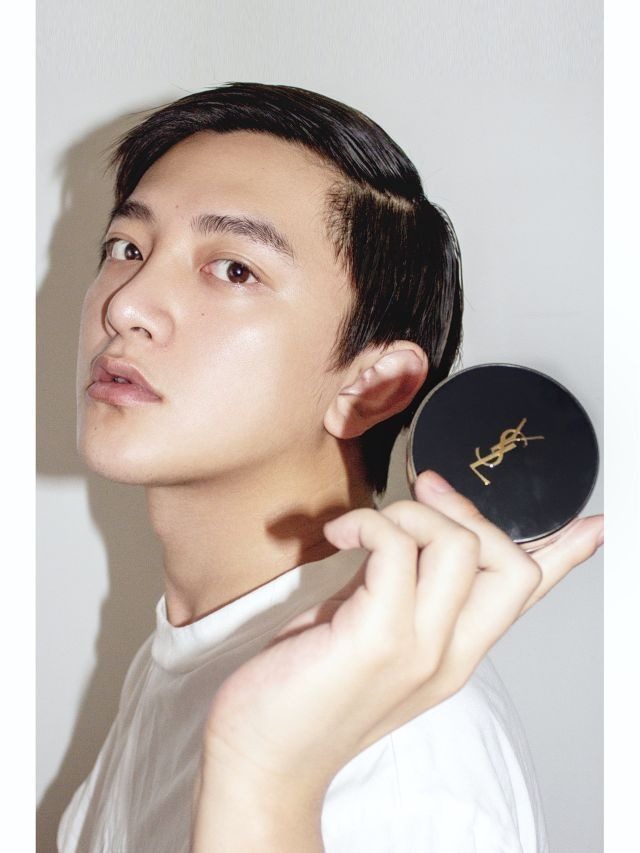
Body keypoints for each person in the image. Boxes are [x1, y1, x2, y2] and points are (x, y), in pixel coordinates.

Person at [57, 82, 603, 852]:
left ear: (371, 385)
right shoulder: (185, 654)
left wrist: (265, 775)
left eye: (233, 269)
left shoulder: (410, 761)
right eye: (128, 248)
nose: (126, 305)